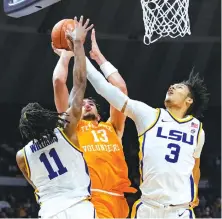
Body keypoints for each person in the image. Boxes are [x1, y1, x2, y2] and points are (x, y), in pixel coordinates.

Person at [86, 60, 209, 218]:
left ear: (189, 100)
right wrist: (79, 52)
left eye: (179, 87)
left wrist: (195, 192)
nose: (171, 87)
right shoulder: (149, 115)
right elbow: (105, 89)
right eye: (172, 85)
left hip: (180, 210)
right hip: (149, 208)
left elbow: (195, 166)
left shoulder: (197, 129)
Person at [16, 16, 95, 219]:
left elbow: (36, 184)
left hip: (50, 211)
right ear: (46, 116)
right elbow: (79, 85)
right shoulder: (65, 130)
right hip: (79, 207)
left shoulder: (21, 156)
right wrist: (77, 45)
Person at [52, 28, 136, 218]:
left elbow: (120, 89)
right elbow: (58, 82)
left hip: (119, 202)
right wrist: (66, 56)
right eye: (82, 103)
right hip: (89, 199)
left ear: (99, 115)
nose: (87, 103)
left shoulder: (112, 128)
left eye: (90, 102)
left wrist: (99, 59)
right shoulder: (71, 129)